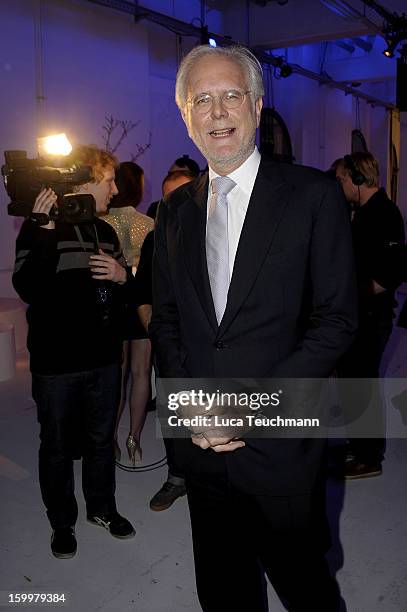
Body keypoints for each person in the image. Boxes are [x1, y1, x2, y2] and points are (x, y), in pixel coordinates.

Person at [149, 44, 357, 611]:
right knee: (223, 592)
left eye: (231, 95)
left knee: (306, 588)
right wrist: (190, 405)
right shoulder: (172, 212)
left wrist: (245, 412)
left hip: (281, 446)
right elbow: (166, 320)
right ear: (186, 117)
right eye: (202, 100)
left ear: (258, 106)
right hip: (201, 448)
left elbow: (336, 321)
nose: (217, 111)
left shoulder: (314, 196)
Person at [12, 145, 135, 560]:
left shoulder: (107, 232)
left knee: (101, 441)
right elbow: (29, 289)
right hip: (56, 363)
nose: (115, 190)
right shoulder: (37, 228)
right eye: (108, 181)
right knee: (58, 445)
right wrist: (44, 231)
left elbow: (122, 299)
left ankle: (102, 509)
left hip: (103, 359)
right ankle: (61, 522)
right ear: (84, 182)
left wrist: (122, 277)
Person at [335, 152, 405, 479]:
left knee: (363, 382)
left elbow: (388, 276)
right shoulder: (360, 213)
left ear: (357, 180)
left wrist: (349, 293)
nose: (340, 185)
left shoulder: (385, 214)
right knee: (353, 382)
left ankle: (369, 457)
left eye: (342, 179)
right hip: (356, 314)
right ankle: (360, 445)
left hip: (372, 316)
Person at [137, 168, 195, 511]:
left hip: (210, 346)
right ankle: (177, 477)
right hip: (169, 344)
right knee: (172, 413)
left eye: (184, 194)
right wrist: (155, 332)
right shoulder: (154, 239)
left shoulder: (222, 236)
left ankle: (214, 477)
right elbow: (142, 292)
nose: (175, 204)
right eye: (169, 197)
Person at [103, 162, 154, 465]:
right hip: (142, 302)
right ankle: (134, 438)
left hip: (114, 302)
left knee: (116, 375)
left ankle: (110, 439)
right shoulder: (148, 223)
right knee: (141, 373)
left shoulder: (101, 222)